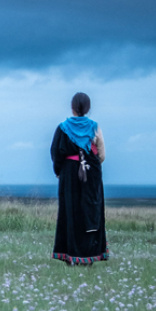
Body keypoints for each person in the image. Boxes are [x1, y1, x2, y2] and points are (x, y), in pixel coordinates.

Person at [50, 92, 108, 266]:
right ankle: (90, 255)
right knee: (91, 211)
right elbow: (102, 155)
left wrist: (60, 171)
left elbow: (55, 153)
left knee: (70, 211)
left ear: (72, 107)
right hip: (91, 175)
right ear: (88, 108)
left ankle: (70, 256)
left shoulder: (62, 127)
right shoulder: (95, 127)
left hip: (69, 175)